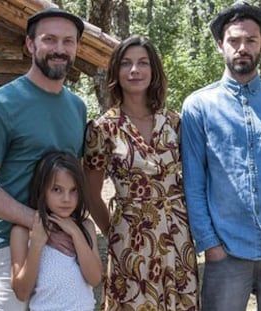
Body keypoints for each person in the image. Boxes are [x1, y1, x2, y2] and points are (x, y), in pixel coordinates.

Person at [181, 2, 261, 311]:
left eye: (251, 40)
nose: (242, 48)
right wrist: (210, 245)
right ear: (219, 45)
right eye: (234, 40)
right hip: (226, 252)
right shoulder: (198, 107)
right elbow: (194, 181)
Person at [0, 7, 87, 310]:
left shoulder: (77, 107)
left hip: (60, 249)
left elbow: (74, 178)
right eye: (50, 40)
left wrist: (69, 230)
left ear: (76, 48)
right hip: (7, 246)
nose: (59, 49)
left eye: (68, 41)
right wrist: (41, 225)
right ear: (30, 44)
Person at [84, 35, 199, 310]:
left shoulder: (174, 123)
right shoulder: (103, 129)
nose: (134, 70)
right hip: (130, 238)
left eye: (142, 63)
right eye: (126, 64)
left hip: (178, 236)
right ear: (116, 72)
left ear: (153, 70)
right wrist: (115, 231)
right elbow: (90, 194)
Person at [10, 151, 102, 311]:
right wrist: (37, 245)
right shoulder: (22, 233)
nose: (66, 199)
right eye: (57, 190)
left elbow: (94, 279)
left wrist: (76, 234)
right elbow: (22, 292)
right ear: (42, 190)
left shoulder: (86, 227)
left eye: (73, 190)